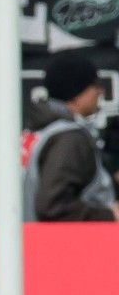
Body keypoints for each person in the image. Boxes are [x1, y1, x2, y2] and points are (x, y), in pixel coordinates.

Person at [23, 50, 118, 221]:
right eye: (95, 85)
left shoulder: (39, 131)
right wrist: (109, 215)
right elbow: (51, 205)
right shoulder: (68, 137)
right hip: (59, 244)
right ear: (76, 93)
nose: (101, 92)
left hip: (28, 240)